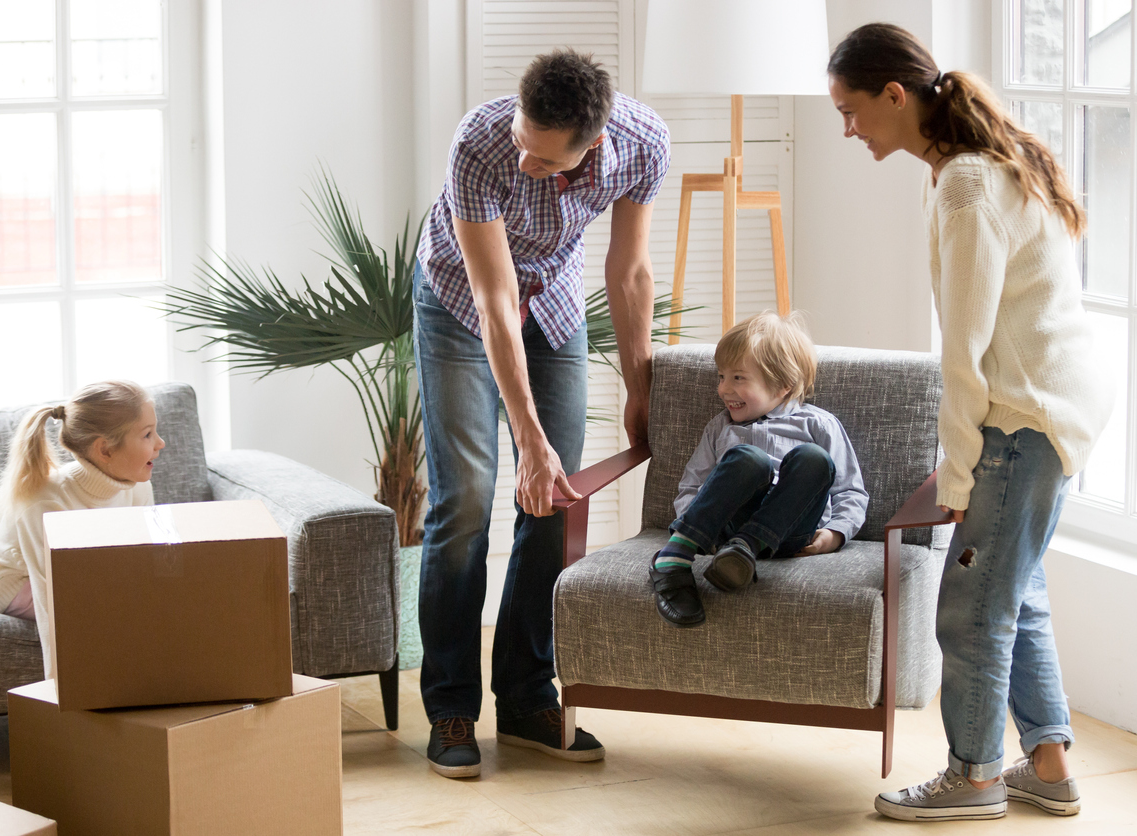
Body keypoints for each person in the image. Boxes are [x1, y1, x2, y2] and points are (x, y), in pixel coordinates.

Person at [827, 23, 1112, 822]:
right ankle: (1047, 764)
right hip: (1053, 409)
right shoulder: (979, 168)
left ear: (895, 94)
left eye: (851, 110)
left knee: (971, 606)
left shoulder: (963, 185)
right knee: (1013, 593)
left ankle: (976, 774)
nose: (847, 129)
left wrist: (956, 477)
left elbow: (964, 351)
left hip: (1024, 420)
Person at [414, 48, 670, 778]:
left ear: (593, 144)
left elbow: (630, 271)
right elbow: (494, 301)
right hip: (460, 305)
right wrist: (527, 438)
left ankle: (526, 696)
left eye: (544, 159)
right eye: (523, 144)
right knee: (463, 500)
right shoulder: (481, 143)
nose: (525, 162)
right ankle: (451, 706)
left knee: (556, 500)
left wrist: (638, 388)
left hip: (553, 301)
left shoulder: (643, 143)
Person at [651, 312, 868, 627]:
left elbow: (850, 490)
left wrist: (835, 535)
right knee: (750, 459)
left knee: (814, 459)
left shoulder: (818, 424)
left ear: (782, 385)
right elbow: (692, 488)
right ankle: (676, 555)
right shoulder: (719, 427)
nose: (724, 389)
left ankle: (747, 548)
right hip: (728, 531)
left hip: (792, 533)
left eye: (738, 378)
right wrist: (705, 533)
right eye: (721, 376)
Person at [0, 380, 165, 677]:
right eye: (147, 434)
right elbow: (51, 598)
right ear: (105, 450)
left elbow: (143, 562)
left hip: (87, 570)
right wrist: (62, 696)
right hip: (22, 582)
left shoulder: (138, 487)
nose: (160, 443)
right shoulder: (44, 502)